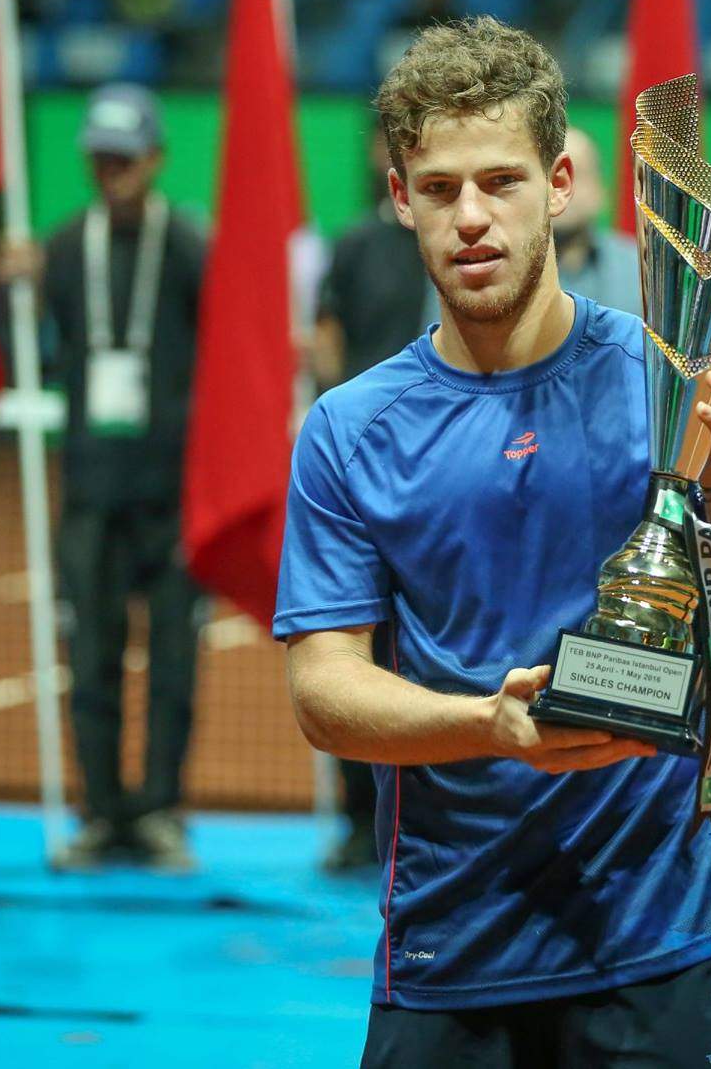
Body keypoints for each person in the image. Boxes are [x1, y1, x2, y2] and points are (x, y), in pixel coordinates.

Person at [278, 17, 711, 1065]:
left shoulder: (673, 380)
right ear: (399, 198)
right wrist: (489, 725)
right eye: (439, 188)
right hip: (451, 949)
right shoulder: (348, 429)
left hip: (670, 944)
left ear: (560, 183)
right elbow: (322, 692)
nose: (471, 218)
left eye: (501, 182)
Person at [0, 84, 209, 871]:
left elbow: (229, 351)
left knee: (175, 664)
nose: (112, 168)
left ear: (155, 159)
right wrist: (9, 291)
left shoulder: (188, 246)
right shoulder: (57, 248)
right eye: (101, 156)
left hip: (174, 496)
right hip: (90, 491)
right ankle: (101, 813)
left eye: (126, 156)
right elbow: (19, 355)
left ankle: (159, 811)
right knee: (90, 658)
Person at [310, 130, 436, 874]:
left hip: (436, 466)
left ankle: (423, 815)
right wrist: (336, 417)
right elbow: (327, 335)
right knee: (351, 642)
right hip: (365, 473)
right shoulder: (355, 245)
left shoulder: (448, 241)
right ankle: (360, 820)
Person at [544, 127, 641, 316]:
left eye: (575, 174)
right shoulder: (506, 271)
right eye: (550, 176)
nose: (561, 189)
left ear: (601, 192)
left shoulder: (640, 271)